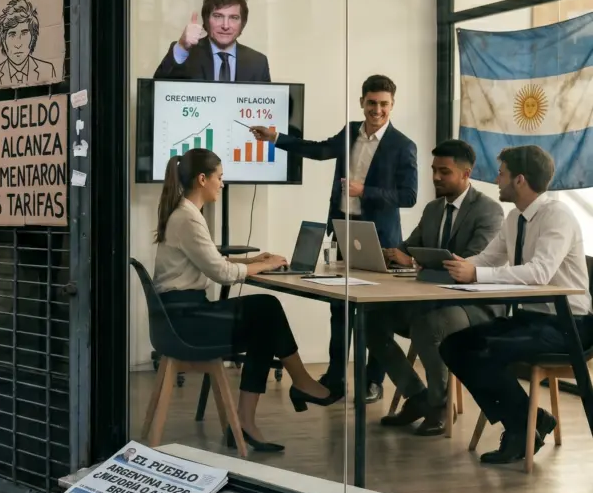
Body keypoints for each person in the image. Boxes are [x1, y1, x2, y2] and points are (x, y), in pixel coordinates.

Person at [152, 148, 337, 453]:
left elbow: (210, 259)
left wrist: (253, 260)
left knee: (264, 320)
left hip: (180, 316)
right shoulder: (187, 218)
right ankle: (297, 384)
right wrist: (264, 265)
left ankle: (252, 417)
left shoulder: (184, 213)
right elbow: (222, 273)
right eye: (220, 177)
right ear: (202, 179)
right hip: (186, 324)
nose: (222, 184)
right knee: (266, 309)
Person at [252, 74, 418, 403]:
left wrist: (365, 190)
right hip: (344, 230)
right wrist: (276, 138)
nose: (377, 110)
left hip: (381, 239)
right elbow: (319, 150)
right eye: (372, 103)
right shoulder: (350, 131)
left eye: (384, 104)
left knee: (377, 315)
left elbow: (409, 196)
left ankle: (373, 381)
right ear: (362, 102)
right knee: (339, 309)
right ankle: (336, 376)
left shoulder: (403, 145)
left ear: (393, 105)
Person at [441, 145, 592, 465]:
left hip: (568, 325)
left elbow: (539, 273)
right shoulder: (514, 218)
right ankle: (531, 420)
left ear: (520, 180)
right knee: (453, 346)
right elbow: (487, 259)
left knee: (486, 352)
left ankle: (520, 430)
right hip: (530, 319)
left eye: (501, 174)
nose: (497, 180)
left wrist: (476, 273)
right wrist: (454, 265)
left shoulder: (557, 216)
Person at [366, 140, 504, 435]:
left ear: (466, 174)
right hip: (432, 300)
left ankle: (440, 405)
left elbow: (469, 265)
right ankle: (418, 397)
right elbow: (407, 249)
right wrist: (384, 255)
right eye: (433, 170)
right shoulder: (432, 209)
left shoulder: (488, 211)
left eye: (445, 171)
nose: (436, 177)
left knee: (428, 326)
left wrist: (416, 262)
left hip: (475, 306)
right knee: (371, 321)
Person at [153, 0, 270, 83]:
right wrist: (182, 47)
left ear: (242, 23)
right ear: (206, 20)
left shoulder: (258, 63)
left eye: (233, 18)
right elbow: (156, 91)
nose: (225, 26)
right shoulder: (187, 54)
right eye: (218, 16)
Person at [0, 0, 58, 87]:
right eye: (12, 35)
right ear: (3, 40)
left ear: (33, 37)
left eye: (24, 33)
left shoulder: (47, 70)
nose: (18, 44)